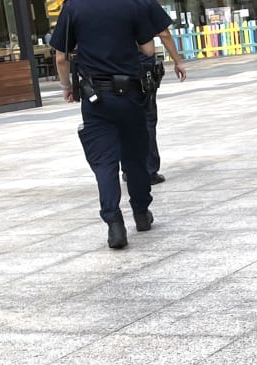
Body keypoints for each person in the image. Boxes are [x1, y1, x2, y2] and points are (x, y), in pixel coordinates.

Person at [53, 0, 171, 249]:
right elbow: (148, 49)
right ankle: (141, 213)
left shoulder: (73, 7)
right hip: (130, 93)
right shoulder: (131, 4)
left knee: (104, 162)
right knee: (135, 156)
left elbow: (61, 57)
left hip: (95, 97)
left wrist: (67, 87)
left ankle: (114, 224)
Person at [134, 21, 188, 185]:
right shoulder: (143, 7)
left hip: (116, 68)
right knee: (147, 119)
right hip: (142, 65)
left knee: (125, 120)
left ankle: (130, 169)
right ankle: (149, 170)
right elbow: (164, 33)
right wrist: (177, 61)